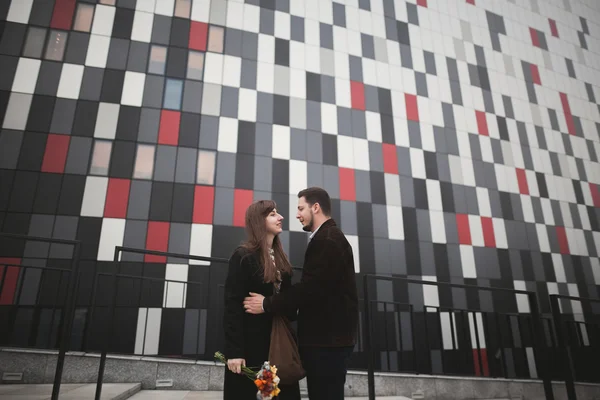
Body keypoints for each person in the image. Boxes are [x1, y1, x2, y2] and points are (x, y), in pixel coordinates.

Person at [243, 187, 359, 400]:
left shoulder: (327, 240)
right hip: (329, 341)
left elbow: (309, 289)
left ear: (315, 208)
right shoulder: (327, 238)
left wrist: (267, 304)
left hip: (327, 343)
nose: (296, 215)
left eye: (300, 208)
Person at [222, 200, 301, 400]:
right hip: (251, 349)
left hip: (277, 348)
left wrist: (268, 304)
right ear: (259, 220)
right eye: (273, 214)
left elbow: (291, 308)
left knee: (276, 395)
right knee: (252, 395)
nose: (280, 217)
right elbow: (232, 306)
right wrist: (234, 352)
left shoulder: (282, 261)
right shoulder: (243, 257)